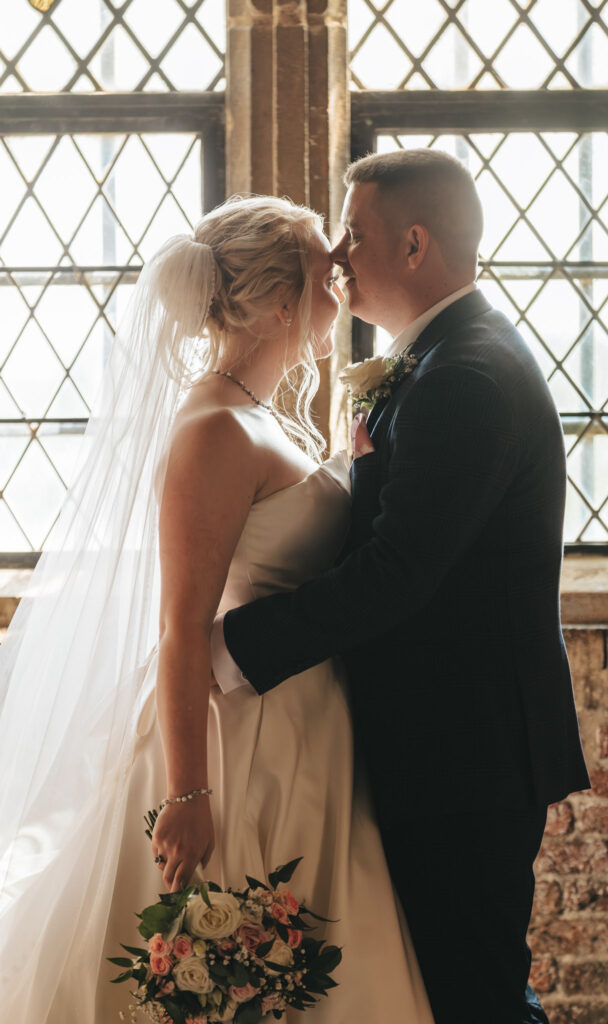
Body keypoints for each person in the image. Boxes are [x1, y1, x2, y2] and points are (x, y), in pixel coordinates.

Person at [0, 195, 433, 1024]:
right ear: (279, 301)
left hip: (306, 727)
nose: (339, 283)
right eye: (322, 273)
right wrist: (190, 796)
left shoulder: (258, 415)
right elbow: (179, 626)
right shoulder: (211, 431)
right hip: (241, 745)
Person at [210, 150, 591, 1023]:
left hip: (463, 752)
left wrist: (230, 647)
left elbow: (396, 573)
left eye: (354, 234)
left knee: (475, 996)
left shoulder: (465, 376)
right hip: (438, 742)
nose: (336, 257)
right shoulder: (438, 362)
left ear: (414, 244)